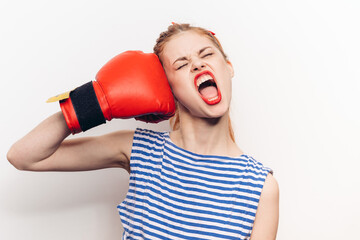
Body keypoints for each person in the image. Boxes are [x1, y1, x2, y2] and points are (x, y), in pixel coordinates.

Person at [7, 23, 279, 239]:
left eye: (207, 54)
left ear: (228, 68)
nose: (197, 64)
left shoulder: (259, 186)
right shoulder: (140, 149)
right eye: (181, 64)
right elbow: (24, 156)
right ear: (166, 87)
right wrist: (94, 103)